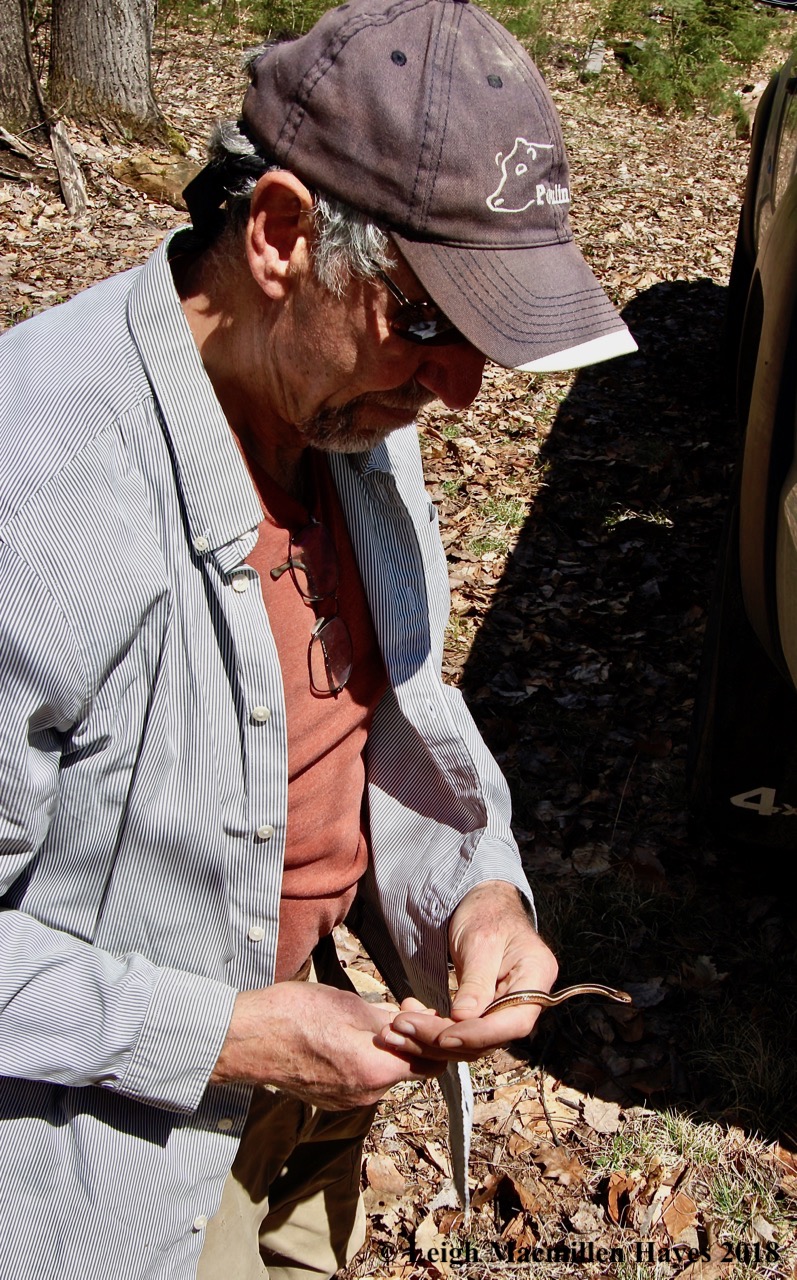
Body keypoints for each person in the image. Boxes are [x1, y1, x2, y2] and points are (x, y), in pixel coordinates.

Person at [0, 1, 636, 1277]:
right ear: (281, 234)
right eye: (430, 321)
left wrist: (472, 892)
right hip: (110, 1164)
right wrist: (226, 1034)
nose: (456, 388)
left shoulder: (346, 408)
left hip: (308, 1090)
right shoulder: (40, 484)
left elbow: (381, 704)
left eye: (483, 340)